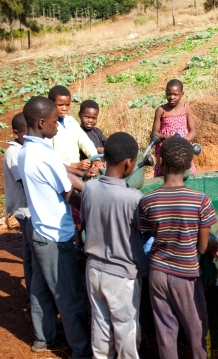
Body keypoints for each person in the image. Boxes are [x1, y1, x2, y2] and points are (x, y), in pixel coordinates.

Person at [18, 96, 92, 358]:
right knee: (69, 296)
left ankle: (43, 338)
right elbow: (68, 192)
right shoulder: (45, 154)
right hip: (54, 236)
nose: (57, 126)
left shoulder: (25, 151)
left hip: (37, 227)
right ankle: (80, 350)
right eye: (53, 122)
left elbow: (62, 176)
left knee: (39, 288)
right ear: (41, 122)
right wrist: (97, 203)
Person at [139, 136, 218, 359]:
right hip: (185, 275)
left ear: (161, 161)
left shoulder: (148, 199)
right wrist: (208, 241)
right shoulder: (200, 201)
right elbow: (203, 247)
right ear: (188, 166)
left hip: (157, 272)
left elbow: (147, 233)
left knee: (165, 332)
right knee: (197, 331)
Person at [81, 132, 147, 359]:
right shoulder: (133, 198)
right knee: (126, 330)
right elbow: (144, 231)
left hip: (94, 269)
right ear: (129, 163)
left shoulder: (89, 188)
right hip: (121, 275)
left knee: (100, 325)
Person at [2, 112, 32, 296]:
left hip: (26, 208)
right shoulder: (13, 153)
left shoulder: (22, 149)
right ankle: (35, 291)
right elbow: (25, 182)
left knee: (29, 252)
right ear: (16, 133)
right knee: (34, 254)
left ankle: (32, 290)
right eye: (27, 133)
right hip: (24, 209)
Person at [48, 85, 103, 170]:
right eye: (60, 105)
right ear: (50, 103)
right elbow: (49, 158)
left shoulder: (71, 121)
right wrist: (75, 165)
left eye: (67, 105)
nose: (64, 108)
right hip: (61, 172)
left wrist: (95, 159)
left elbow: (85, 142)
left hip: (77, 171)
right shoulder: (47, 127)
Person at [152, 79, 197, 177]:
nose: (172, 97)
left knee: (184, 173)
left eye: (175, 95)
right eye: (169, 94)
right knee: (165, 175)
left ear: (182, 94)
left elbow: (193, 130)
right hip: (166, 149)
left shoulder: (186, 108)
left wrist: (183, 142)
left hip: (182, 149)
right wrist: (165, 138)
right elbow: (154, 133)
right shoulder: (161, 110)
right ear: (165, 93)